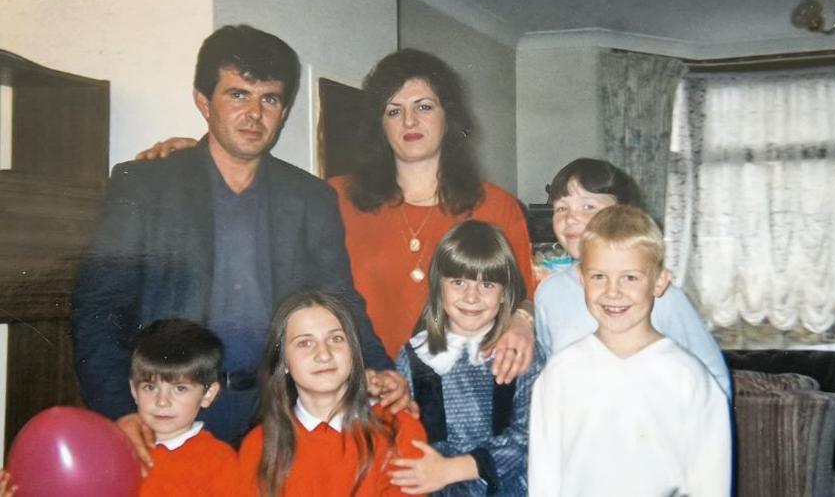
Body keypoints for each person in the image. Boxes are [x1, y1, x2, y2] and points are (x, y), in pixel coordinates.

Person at [71, 24, 405, 462]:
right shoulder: (147, 186)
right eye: (238, 95)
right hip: (172, 414)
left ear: (284, 111)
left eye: (270, 99)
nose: (254, 114)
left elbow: (338, 299)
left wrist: (379, 368)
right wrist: (118, 410)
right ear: (203, 101)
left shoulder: (310, 198)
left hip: (277, 414)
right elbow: (98, 308)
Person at [135, 48, 537, 385]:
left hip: (464, 387)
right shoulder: (333, 197)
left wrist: (523, 321)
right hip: (359, 385)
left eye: (424, 107)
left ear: (449, 117)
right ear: (379, 125)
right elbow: (262, 187)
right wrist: (193, 155)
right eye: (393, 111)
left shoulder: (496, 206)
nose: (409, 121)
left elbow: (527, 294)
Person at [528, 204, 731, 496]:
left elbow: (711, 481)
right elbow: (543, 478)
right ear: (582, 280)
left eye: (630, 277)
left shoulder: (688, 377)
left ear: (659, 282)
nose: (613, 291)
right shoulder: (560, 374)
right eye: (599, 277)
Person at [535, 158, 732, 397]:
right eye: (561, 208)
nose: (570, 218)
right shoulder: (548, 293)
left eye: (588, 206)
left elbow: (714, 377)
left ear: (623, 214)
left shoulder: (657, 292)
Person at [391, 221, 543, 496]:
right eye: (458, 282)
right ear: (439, 287)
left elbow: (532, 437)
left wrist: (452, 469)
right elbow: (399, 433)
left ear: (504, 293)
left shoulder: (521, 352)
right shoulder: (414, 356)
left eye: (486, 284)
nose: (471, 297)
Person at [237, 289, 426, 496]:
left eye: (336, 339)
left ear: (353, 351)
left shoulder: (398, 428)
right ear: (284, 362)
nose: (324, 354)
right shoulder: (259, 445)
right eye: (305, 343)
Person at [129, 319, 239, 497]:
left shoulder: (218, 460)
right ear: (134, 391)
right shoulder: (122, 448)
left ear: (208, 394)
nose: (162, 402)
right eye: (150, 387)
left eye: (179, 389)